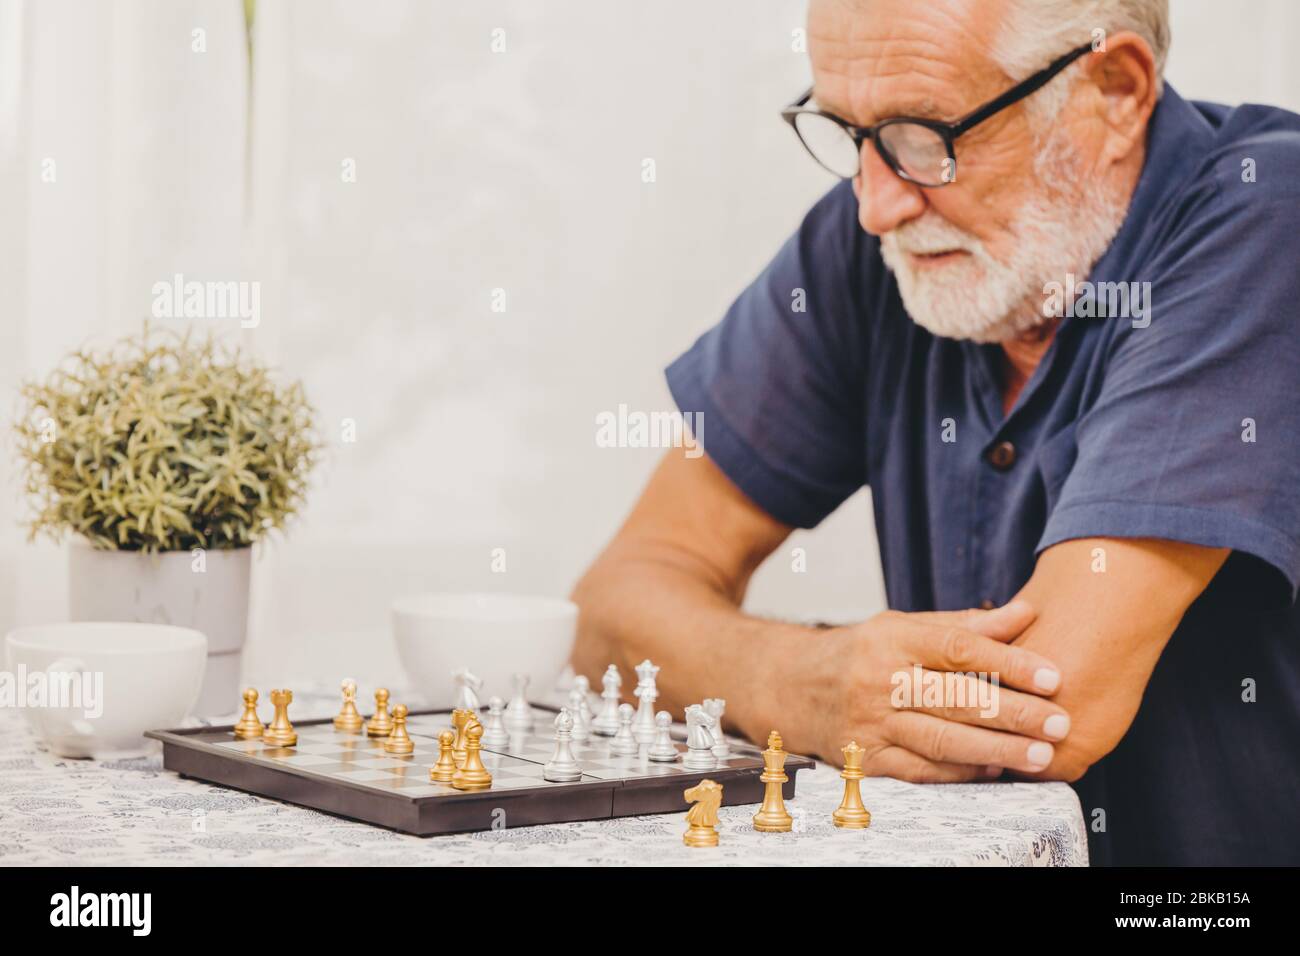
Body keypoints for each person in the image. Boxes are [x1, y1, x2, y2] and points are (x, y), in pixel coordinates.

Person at [571, 0, 1300, 866]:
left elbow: (1050, 713)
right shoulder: (885, 240)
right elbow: (609, 610)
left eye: (925, 136)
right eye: (847, 131)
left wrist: (745, 665)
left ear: (1114, 90)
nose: (876, 204)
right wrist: (807, 680)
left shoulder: (1269, 217)